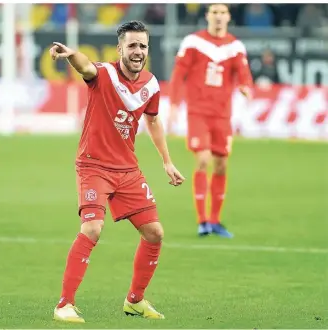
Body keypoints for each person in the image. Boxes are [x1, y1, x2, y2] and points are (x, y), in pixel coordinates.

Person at [49, 20, 185, 323]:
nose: (138, 51)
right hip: (94, 165)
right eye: (132, 45)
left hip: (127, 169)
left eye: (143, 46)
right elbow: (86, 67)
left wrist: (167, 160)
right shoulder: (105, 74)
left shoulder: (151, 84)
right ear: (119, 48)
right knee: (93, 228)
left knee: (154, 232)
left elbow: (152, 120)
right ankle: (64, 304)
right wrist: (72, 54)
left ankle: (135, 301)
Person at [168, 4, 253, 238]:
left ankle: (215, 220)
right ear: (207, 16)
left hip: (223, 114)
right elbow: (178, 75)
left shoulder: (235, 47)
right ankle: (202, 220)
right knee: (203, 159)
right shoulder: (193, 42)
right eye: (214, 12)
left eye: (222, 12)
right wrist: (174, 105)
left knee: (222, 164)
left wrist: (246, 88)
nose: (218, 17)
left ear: (228, 17)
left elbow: (244, 75)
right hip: (198, 112)